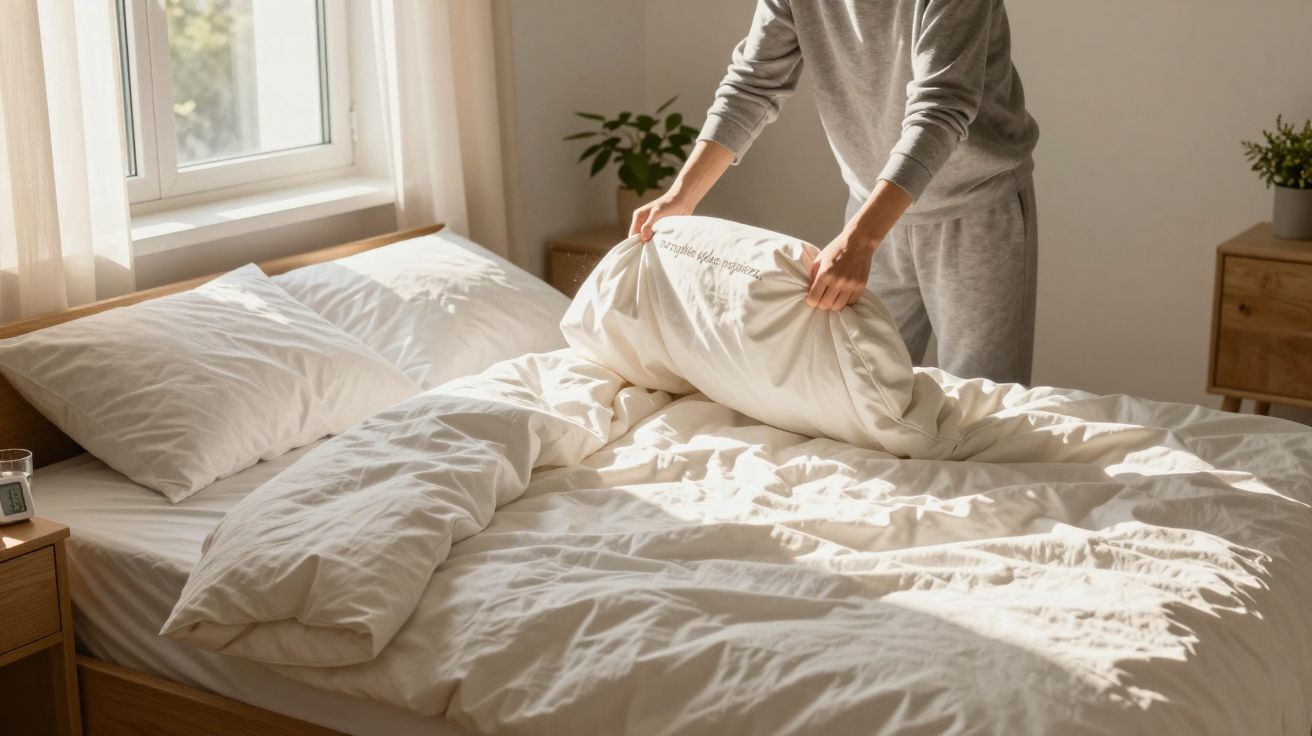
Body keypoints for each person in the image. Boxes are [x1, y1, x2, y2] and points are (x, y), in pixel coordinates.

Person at [630, 0, 1040, 385]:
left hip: (974, 210)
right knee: (860, 395)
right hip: (870, 207)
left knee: (985, 409)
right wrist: (680, 197)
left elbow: (941, 109)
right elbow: (753, 84)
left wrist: (861, 239)